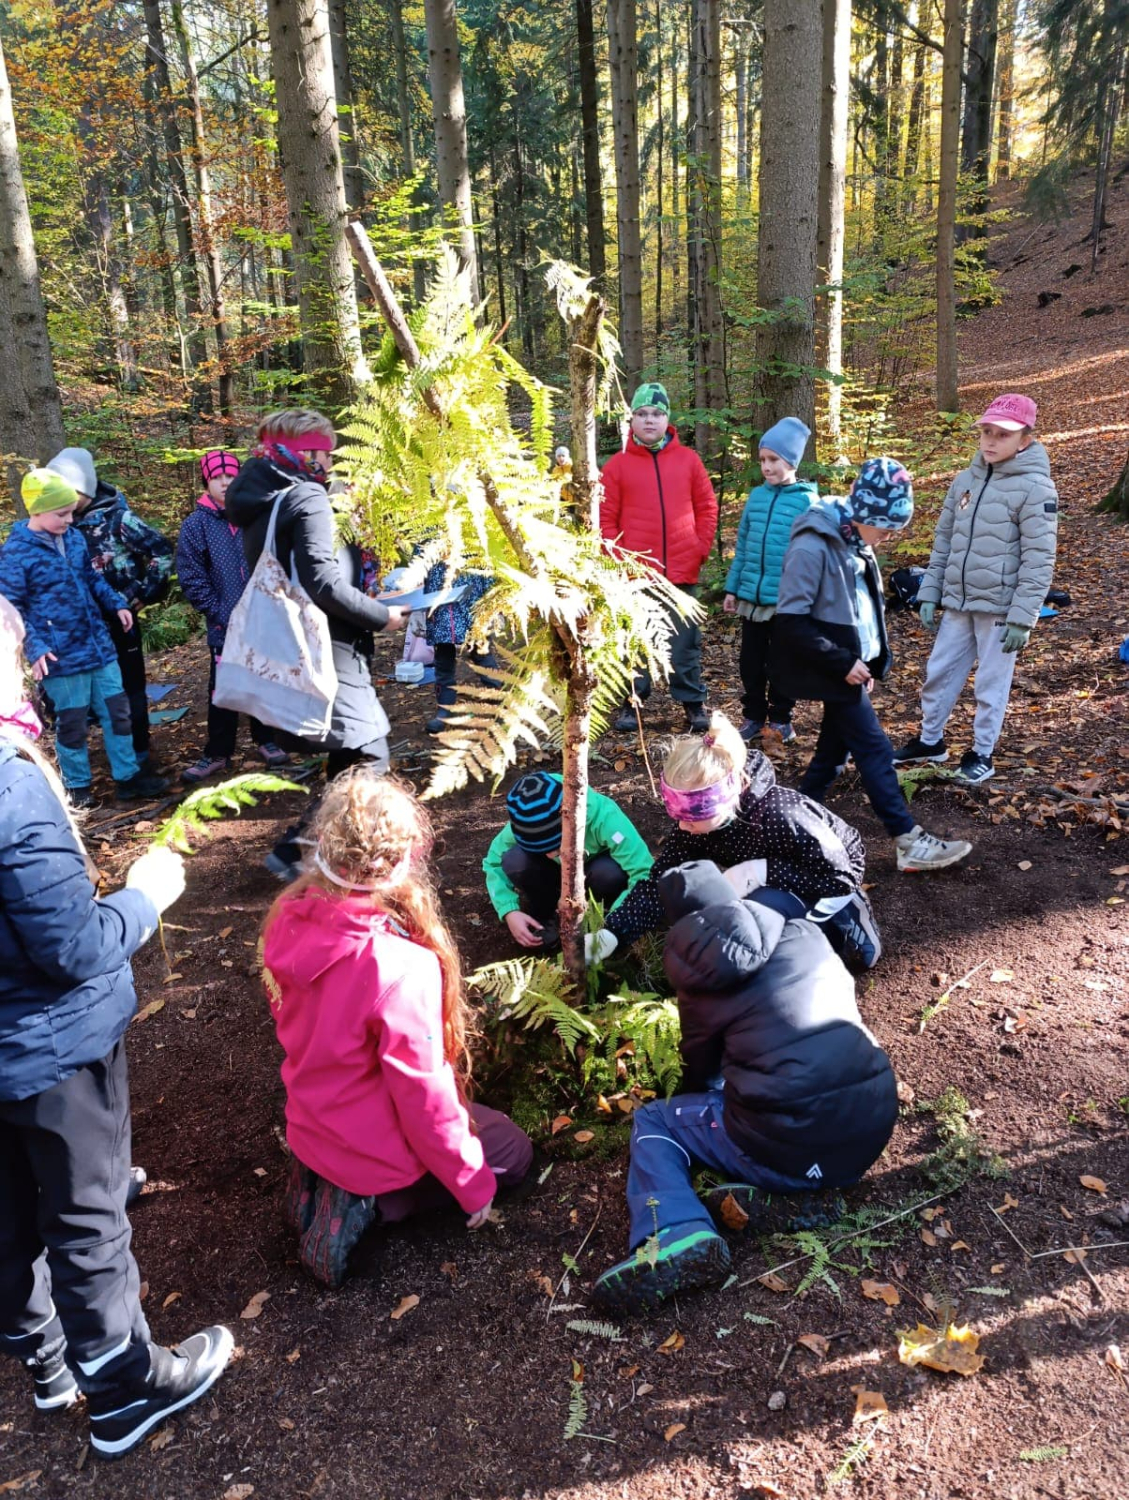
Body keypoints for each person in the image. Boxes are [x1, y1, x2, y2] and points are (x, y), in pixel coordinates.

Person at [0, 595, 233, 1457]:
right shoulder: (11, 783)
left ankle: (47, 1363)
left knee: (7, 1210)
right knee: (86, 1218)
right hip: (49, 1046)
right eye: (16, 650)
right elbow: (72, 947)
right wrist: (145, 897)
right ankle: (123, 1389)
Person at [262, 767, 533, 1288]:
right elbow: (423, 1096)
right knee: (512, 1152)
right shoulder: (398, 965)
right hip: (371, 1145)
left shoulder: (288, 914)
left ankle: (321, 1177)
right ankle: (375, 1201)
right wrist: (472, 1184)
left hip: (310, 1119)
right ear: (406, 859)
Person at [592, 860, 898, 1314]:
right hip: (870, 1126)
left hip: (791, 1137)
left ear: (679, 925)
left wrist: (700, 1098)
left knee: (655, 1121)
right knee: (774, 1102)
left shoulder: (702, 979)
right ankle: (796, 1192)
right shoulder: (804, 932)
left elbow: (701, 1069)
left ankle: (673, 1231)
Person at [225, 409, 408, 879]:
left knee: (350, 753)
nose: (331, 462)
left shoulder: (265, 496)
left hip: (306, 642)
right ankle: (305, 855)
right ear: (307, 453)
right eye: (326, 453)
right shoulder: (306, 495)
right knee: (369, 754)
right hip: (327, 645)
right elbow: (323, 582)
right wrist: (382, 616)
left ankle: (301, 851)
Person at [770, 459, 973, 874]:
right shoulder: (813, 545)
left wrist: (869, 662)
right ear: (864, 513)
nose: (888, 536)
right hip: (831, 667)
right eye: (885, 527)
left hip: (848, 667)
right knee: (875, 749)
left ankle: (785, 829)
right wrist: (843, 661)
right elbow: (790, 621)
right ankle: (908, 841)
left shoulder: (854, 540)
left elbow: (861, 608)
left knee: (831, 754)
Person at [587, 712, 881, 973]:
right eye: (674, 810)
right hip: (768, 876)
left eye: (693, 813)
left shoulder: (782, 814)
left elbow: (841, 874)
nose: (682, 824)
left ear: (727, 796)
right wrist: (613, 933)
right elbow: (661, 881)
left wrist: (761, 871)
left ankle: (849, 913)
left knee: (830, 951)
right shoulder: (695, 826)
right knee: (744, 919)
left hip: (830, 873)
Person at [893, 394, 1059, 786]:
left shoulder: (1036, 489)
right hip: (958, 601)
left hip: (1000, 609)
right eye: (987, 432)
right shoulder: (964, 481)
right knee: (939, 672)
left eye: (1003, 434)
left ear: (1024, 440)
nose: (991, 441)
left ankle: (982, 753)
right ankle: (930, 741)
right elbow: (944, 541)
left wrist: (1023, 617)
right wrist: (930, 591)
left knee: (990, 684)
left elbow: (1039, 558)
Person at [0, 469, 168, 808]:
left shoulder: (74, 538)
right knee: (72, 722)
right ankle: (77, 788)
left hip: (99, 646)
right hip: (59, 656)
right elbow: (10, 608)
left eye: (71, 512)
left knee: (118, 713)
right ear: (37, 511)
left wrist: (117, 604)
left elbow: (92, 579)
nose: (69, 519)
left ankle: (128, 778)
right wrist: (35, 646)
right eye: (61, 513)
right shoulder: (15, 552)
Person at [600, 382, 719, 734]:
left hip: (682, 570)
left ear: (667, 419)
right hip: (635, 575)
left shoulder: (688, 461)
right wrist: (618, 560)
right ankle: (633, 701)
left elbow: (707, 507)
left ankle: (693, 702)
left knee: (684, 644)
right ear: (632, 420)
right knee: (635, 641)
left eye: (656, 413)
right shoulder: (617, 466)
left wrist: (699, 548)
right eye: (642, 414)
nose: (649, 420)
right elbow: (605, 519)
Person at [46, 447, 172, 768]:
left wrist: (145, 593)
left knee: (130, 689)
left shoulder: (118, 519)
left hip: (120, 620)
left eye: (69, 490)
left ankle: (139, 753)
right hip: (78, 627)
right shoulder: (58, 523)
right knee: (89, 694)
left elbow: (161, 550)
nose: (64, 498)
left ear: (84, 487)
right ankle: (112, 757)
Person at [175, 449, 290, 783]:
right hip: (224, 623)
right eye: (217, 477)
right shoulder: (196, 525)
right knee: (223, 689)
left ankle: (266, 739)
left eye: (230, 476)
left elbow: (276, 561)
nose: (225, 483)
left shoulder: (256, 516)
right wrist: (220, 612)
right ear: (206, 482)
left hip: (263, 617)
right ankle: (218, 752)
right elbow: (191, 576)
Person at [723, 417, 818, 744]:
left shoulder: (807, 501)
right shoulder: (756, 497)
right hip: (752, 598)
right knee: (750, 663)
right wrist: (733, 588)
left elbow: (814, 556)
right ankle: (753, 716)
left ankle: (781, 720)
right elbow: (743, 546)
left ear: (791, 461)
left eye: (774, 459)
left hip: (786, 602)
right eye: (762, 459)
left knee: (782, 663)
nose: (766, 466)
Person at [484, 769, 653, 950]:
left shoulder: (606, 819)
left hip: (593, 875)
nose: (551, 854)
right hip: (554, 876)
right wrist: (509, 910)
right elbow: (493, 861)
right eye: (542, 850)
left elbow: (644, 872)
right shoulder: (529, 818)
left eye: (556, 847)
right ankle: (551, 915)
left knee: (609, 873)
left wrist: (614, 926)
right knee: (515, 860)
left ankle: (598, 913)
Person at [421, 559, 497, 736]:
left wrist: (492, 604)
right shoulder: (430, 540)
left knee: (480, 652)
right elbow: (420, 562)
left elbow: (488, 562)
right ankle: (445, 710)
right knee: (443, 660)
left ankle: (499, 701)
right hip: (440, 601)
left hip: (471, 598)